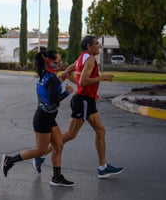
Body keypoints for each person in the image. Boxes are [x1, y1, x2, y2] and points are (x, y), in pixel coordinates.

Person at [37, 35, 123, 178]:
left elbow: (68, 72)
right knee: (72, 134)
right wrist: (102, 77)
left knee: (100, 131)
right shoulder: (89, 60)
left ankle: (103, 167)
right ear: (89, 47)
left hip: (85, 100)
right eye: (96, 44)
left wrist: (86, 89)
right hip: (83, 101)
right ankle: (41, 154)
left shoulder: (82, 57)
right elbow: (83, 81)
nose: (99, 46)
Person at [1, 50, 74, 187]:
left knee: (58, 146)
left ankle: (57, 177)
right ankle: (10, 160)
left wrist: (61, 80)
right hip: (43, 119)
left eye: (60, 61)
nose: (59, 64)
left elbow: (50, 88)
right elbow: (53, 101)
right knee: (41, 150)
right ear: (48, 62)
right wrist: (67, 92)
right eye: (56, 62)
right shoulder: (51, 78)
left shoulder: (45, 75)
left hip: (48, 117)